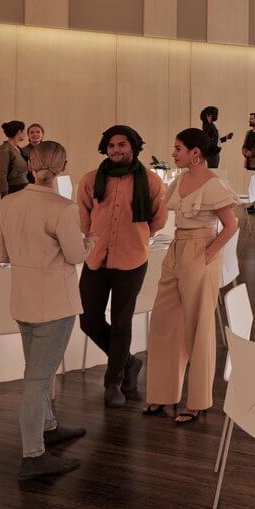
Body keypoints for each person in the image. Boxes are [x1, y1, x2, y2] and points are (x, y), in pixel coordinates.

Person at [0, 140, 87, 480]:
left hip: (22, 299)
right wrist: (90, 242)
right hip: (55, 302)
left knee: (37, 372)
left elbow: (0, 255)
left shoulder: (8, 202)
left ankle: (48, 426)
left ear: (30, 165)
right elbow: (76, 255)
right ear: (62, 167)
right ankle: (33, 455)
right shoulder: (63, 207)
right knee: (36, 380)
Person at [144, 128, 238, 424]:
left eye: (178, 149)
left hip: (200, 250)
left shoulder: (213, 184)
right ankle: (162, 393)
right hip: (176, 249)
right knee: (163, 320)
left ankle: (197, 401)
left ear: (195, 153)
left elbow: (231, 226)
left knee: (198, 326)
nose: (173, 153)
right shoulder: (181, 179)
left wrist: (207, 256)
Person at [77, 125, 167, 408]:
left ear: (134, 147)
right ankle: (129, 362)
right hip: (96, 258)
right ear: (105, 148)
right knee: (88, 319)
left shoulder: (151, 181)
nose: (117, 150)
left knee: (121, 321)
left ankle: (113, 382)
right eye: (112, 145)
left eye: (122, 145)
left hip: (132, 259)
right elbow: (83, 216)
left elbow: (158, 219)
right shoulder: (90, 180)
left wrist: (137, 236)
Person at [0, 120, 30, 198]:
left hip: (23, 190)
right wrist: (5, 197)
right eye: (24, 131)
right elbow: (1, 176)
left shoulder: (18, 149)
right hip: (13, 192)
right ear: (19, 132)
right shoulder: (4, 150)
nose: (25, 134)